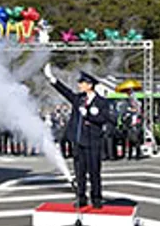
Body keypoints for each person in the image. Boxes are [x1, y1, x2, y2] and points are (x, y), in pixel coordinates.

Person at [43, 64, 113, 208]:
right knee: (80, 173)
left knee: (94, 172)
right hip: (79, 140)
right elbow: (66, 92)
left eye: (82, 83)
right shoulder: (78, 99)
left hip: (93, 141)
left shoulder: (102, 102)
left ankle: (97, 199)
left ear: (90, 85)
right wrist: (52, 79)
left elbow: (106, 118)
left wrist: (89, 115)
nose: (79, 85)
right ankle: (81, 197)